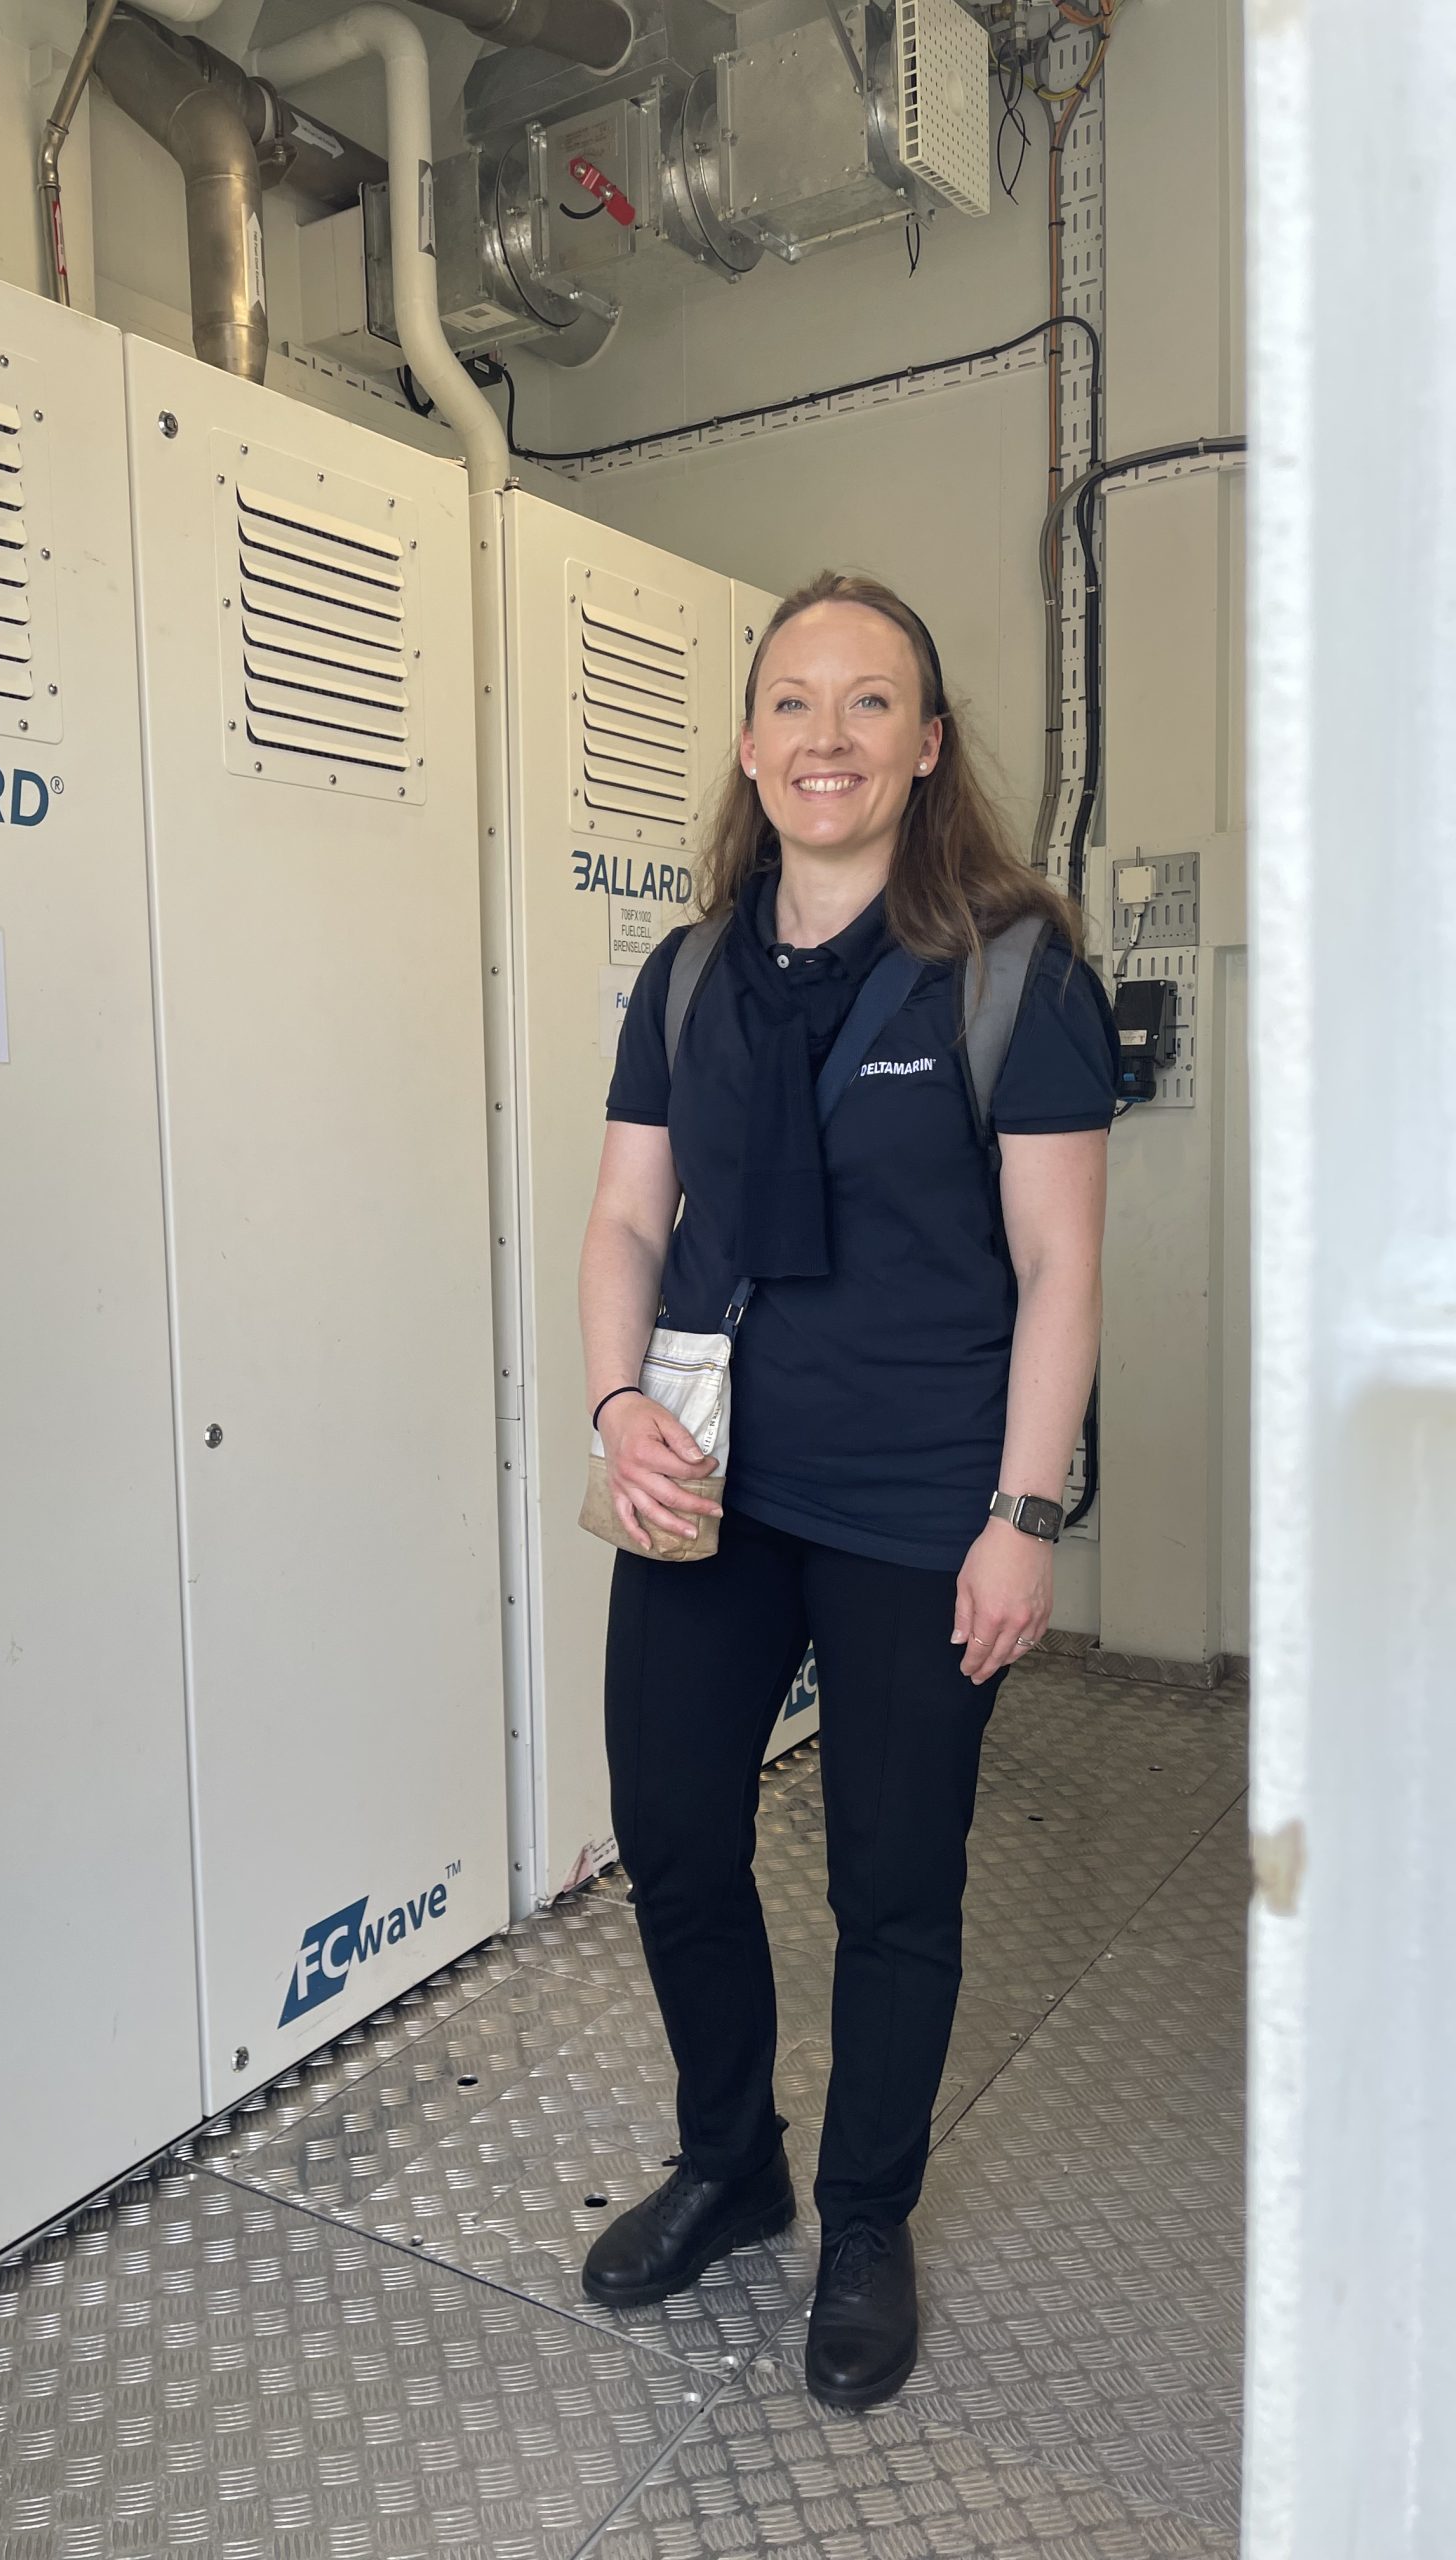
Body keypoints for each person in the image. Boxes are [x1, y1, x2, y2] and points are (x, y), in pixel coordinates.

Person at [575, 569, 1116, 2409]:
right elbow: (629, 1216)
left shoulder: (1012, 969)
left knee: (893, 1885)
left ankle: (866, 2219)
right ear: (748, 742)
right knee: (673, 1832)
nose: (827, 737)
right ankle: (733, 2164)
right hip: (713, 1486)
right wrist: (611, 1404)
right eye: (793, 703)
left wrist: (1021, 1518)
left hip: (914, 1502)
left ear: (928, 744)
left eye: (868, 703)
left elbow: (1059, 1271)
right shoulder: (690, 969)